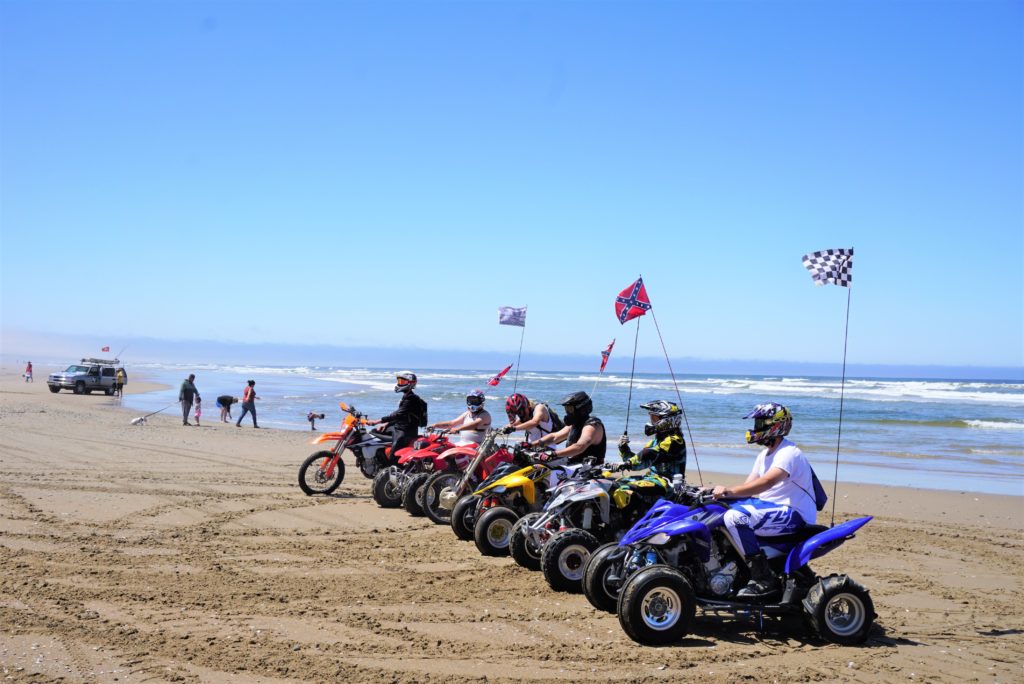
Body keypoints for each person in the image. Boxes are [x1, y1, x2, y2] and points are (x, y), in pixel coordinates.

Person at [710, 402, 817, 599]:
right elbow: (748, 488)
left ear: (775, 425)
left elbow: (766, 482)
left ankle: (763, 578)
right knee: (720, 510)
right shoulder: (764, 455)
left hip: (794, 513)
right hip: (773, 509)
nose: (755, 428)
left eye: (760, 423)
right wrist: (712, 492)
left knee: (735, 518)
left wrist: (729, 490)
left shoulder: (788, 453)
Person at [529, 391, 606, 465]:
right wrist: (530, 445)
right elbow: (554, 437)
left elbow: (579, 447)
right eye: (566, 409)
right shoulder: (575, 424)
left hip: (590, 469)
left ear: (581, 409)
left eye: (570, 409)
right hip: (574, 465)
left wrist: (553, 454)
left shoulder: (592, 426)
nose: (567, 412)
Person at [367, 371, 427, 463]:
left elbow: (398, 414)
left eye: (402, 382)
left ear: (410, 383)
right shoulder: (407, 396)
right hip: (398, 427)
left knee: (393, 457)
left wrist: (377, 421)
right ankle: (379, 460)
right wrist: (387, 424)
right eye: (399, 381)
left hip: (406, 431)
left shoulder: (412, 399)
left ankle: (393, 468)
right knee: (374, 433)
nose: (399, 383)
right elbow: (400, 416)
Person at [617, 400, 687, 478]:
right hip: (653, 479)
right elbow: (638, 464)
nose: (651, 422)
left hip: (669, 484)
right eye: (651, 418)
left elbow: (649, 455)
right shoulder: (654, 442)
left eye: (654, 418)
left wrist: (628, 463)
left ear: (668, 420)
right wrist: (624, 449)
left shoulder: (675, 441)